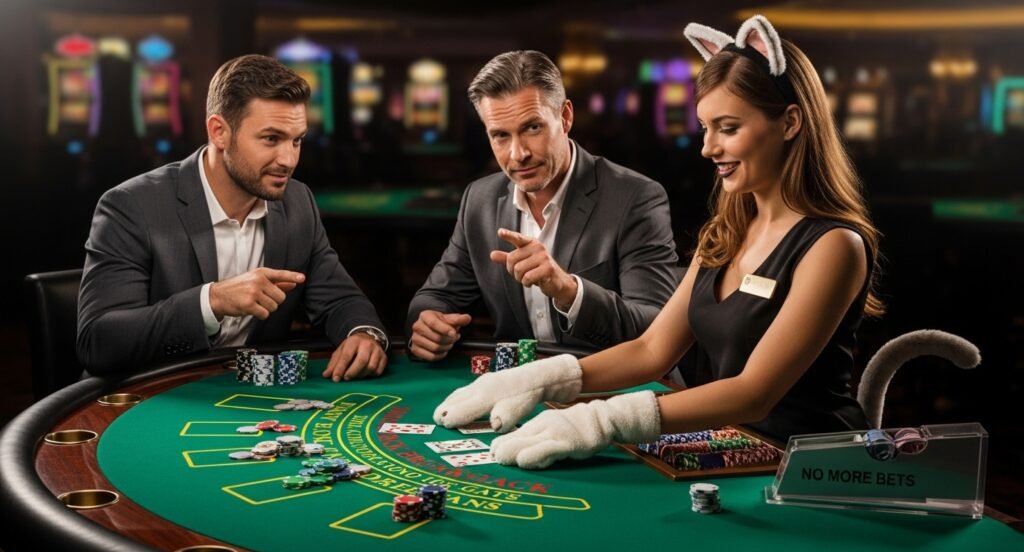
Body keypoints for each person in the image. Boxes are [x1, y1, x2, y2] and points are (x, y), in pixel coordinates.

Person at [433, 15, 884, 469]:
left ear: (789, 122)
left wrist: (604, 419)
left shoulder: (834, 245)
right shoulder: (724, 234)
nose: (707, 148)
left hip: (820, 470)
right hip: (740, 452)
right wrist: (539, 380)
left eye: (728, 128)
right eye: (705, 128)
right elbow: (652, 350)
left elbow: (754, 393)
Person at [77, 54, 389, 381]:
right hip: (151, 397)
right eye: (271, 139)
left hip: (248, 401)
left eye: (297, 140)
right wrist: (212, 301)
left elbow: (340, 299)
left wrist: (363, 334)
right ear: (219, 132)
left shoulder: (298, 202)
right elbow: (98, 343)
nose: (288, 159)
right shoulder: (132, 206)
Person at [406, 50, 679, 361]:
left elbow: (656, 328)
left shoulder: (635, 197)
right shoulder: (479, 200)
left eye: (532, 128)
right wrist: (429, 322)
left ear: (565, 117)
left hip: (614, 388)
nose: (517, 153)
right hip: (522, 389)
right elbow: (436, 297)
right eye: (500, 136)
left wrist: (568, 290)